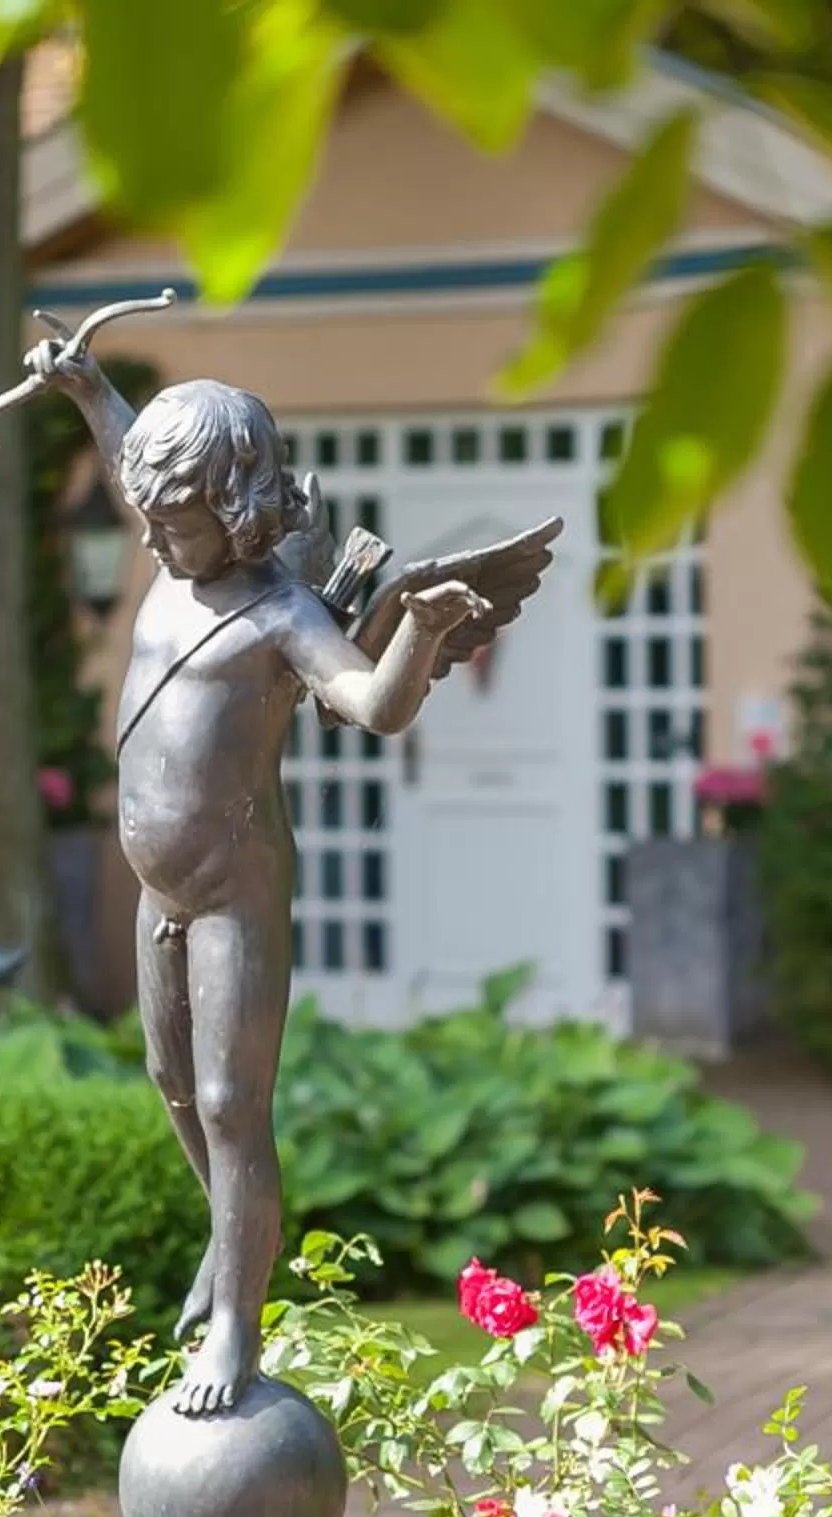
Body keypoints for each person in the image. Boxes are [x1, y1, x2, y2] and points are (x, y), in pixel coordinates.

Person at [29, 339, 511, 1414]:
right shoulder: (169, 554)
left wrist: (420, 633)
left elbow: (374, 708)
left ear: (238, 511)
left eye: (177, 521)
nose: (151, 535)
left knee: (231, 1105)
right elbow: (130, 464)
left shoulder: (283, 611)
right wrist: (88, 388)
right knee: (170, 1091)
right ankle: (232, 1238)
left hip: (237, 893)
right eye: (146, 516)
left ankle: (237, 1331)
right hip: (162, 898)